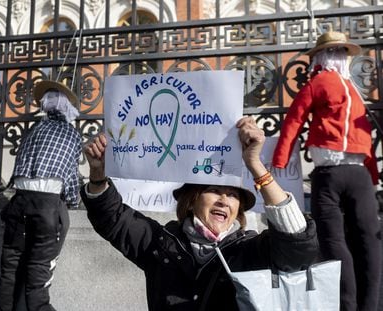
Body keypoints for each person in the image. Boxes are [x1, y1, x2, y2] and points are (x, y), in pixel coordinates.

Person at [82, 116, 319, 311]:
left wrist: (255, 165)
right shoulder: (162, 243)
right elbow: (113, 218)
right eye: (214, 191)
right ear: (192, 200)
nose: (224, 201)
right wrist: (98, 174)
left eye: (233, 195)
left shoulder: (249, 249)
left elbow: (298, 246)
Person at [272, 31, 381, 311]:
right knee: (368, 239)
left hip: (329, 174)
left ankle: (348, 305)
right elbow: (365, 135)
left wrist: (280, 160)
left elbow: (294, 121)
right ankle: (370, 305)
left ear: (319, 57)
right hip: (359, 174)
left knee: (333, 242)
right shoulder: (354, 91)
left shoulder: (318, 83)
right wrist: (373, 175)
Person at [0, 80, 82, 311]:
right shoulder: (71, 134)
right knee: (38, 274)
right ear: (68, 108)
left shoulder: (33, 130)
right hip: (47, 207)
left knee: (10, 269)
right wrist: (73, 201)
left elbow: (18, 169)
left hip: (19, 202)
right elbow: (70, 176)